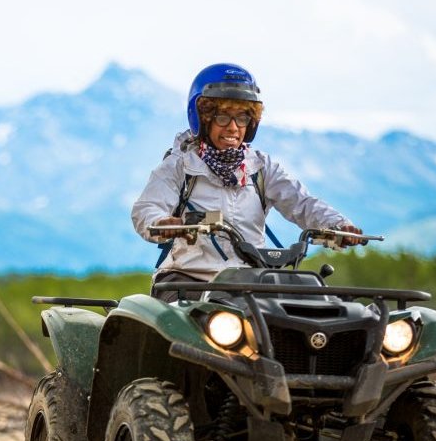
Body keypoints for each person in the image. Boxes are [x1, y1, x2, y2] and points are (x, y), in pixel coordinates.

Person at [131, 63, 364, 301]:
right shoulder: (180, 165)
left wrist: (337, 225)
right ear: (203, 118)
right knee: (193, 323)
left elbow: (302, 202)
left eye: (242, 117)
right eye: (222, 117)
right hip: (189, 278)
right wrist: (162, 223)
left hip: (250, 282)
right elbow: (146, 209)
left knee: (312, 307)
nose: (233, 127)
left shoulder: (261, 167)